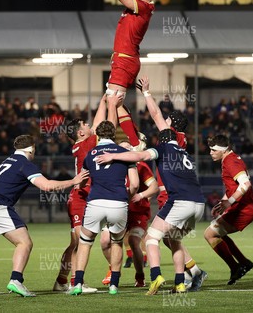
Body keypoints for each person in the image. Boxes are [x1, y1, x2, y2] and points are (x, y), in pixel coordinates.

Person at [97, 76, 207, 294]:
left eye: (166, 121)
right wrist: (144, 93)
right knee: (173, 240)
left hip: (178, 200)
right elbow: (157, 117)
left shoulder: (164, 145)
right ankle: (182, 281)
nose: (161, 121)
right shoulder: (180, 146)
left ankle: (156, 276)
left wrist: (114, 155)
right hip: (199, 203)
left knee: (152, 239)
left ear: (169, 128)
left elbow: (143, 148)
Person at [0, 135, 89, 298]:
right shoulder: (24, 164)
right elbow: (47, 186)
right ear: (31, 148)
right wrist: (73, 181)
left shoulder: (8, 160)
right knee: (24, 243)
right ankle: (16, 280)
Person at [52, 94, 120, 292]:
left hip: (83, 197)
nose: (91, 124)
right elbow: (106, 125)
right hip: (80, 198)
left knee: (75, 242)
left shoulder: (83, 143)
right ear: (81, 132)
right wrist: (110, 105)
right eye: (86, 124)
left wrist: (102, 102)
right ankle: (74, 282)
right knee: (80, 241)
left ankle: (62, 281)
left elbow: (99, 122)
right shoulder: (87, 143)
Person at [68, 121, 139, 296]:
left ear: (98, 136)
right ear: (114, 135)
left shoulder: (90, 153)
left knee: (84, 243)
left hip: (95, 203)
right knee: (116, 242)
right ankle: (114, 285)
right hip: (118, 203)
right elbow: (135, 185)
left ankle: (77, 283)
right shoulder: (125, 153)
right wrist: (126, 198)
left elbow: (82, 181)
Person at [91, 0, 159, 102]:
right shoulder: (140, 4)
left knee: (112, 103)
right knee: (114, 104)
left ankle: (109, 128)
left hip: (125, 60)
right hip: (124, 59)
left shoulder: (144, 7)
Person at [101, 141, 158, 288]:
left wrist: (141, 195)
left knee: (133, 241)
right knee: (105, 241)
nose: (125, 151)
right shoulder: (112, 167)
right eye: (122, 148)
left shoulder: (140, 166)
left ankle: (140, 277)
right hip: (118, 210)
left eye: (128, 148)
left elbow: (154, 187)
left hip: (138, 212)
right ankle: (112, 269)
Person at [204, 134, 253, 285]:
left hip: (244, 209)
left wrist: (230, 202)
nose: (211, 152)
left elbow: (245, 185)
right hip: (242, 206)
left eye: (214, 150)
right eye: (210, 149)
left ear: (224, 149)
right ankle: (243, 263)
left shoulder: (230, 161)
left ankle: (236, 267)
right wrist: (224, 202)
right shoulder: (230, 158)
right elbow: (234, 187)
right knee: (217, 233)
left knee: (210, 234)